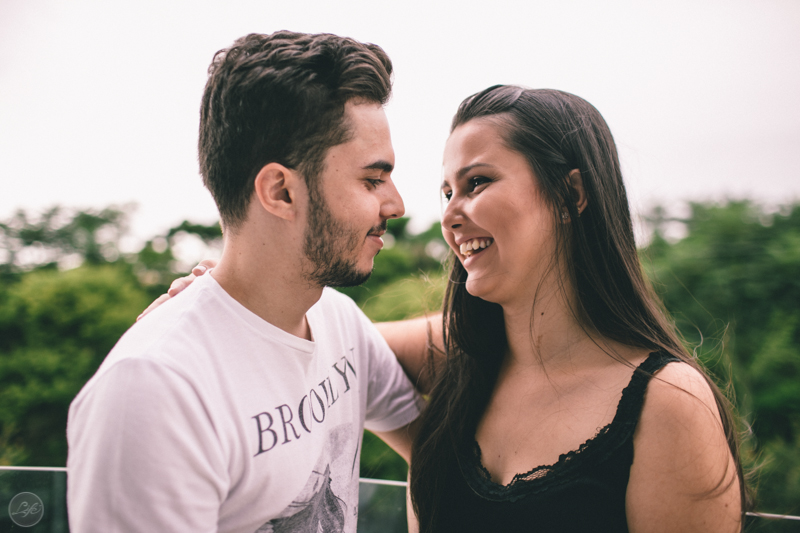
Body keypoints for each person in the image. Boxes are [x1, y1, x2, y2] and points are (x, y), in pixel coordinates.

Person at [156, 86, 750, 531]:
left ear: (570, 194)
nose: (449, 214)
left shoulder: (667, 404)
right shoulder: (460, 358)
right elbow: (304, 343)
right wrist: (232, 305)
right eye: (447, 192)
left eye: (477, 183)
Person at [66, 31, 420, 533]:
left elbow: (439, 453)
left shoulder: (338, 322)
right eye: (372, 180)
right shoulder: (153, 392)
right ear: (280, 191)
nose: (396, 204)